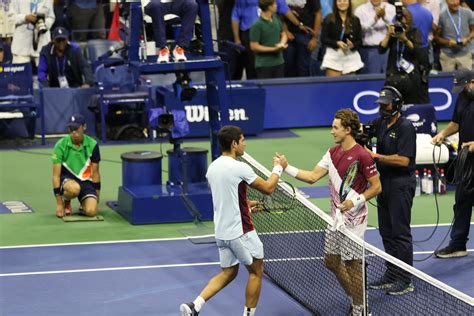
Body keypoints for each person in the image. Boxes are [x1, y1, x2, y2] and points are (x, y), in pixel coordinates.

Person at [278, 109, 381, 316]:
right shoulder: (332, 153)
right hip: (335, 218)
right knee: (331, 261)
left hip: (355, 219)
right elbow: (312, 177)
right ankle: (355, 298)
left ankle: (361, 310)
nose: (331, 131)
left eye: (335, 128)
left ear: (348, 130)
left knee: (353, 264)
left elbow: (376, 187)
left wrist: (355, 200)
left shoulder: (362, 155)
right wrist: (286, 167)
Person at [179, 125, 283, 316]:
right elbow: (269, 187)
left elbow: (227, 196)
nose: (245, 144)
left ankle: (195, 306)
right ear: (234, 144)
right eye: (242, 140)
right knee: (256, 271)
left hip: (221, 232)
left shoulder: (212, 168)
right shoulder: (240, 167)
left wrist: (247, 204)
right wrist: (279, 167)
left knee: (229, 272)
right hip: (241, 232)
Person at [366, 86, 417, 296]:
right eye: (381, 104)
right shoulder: (381, 123)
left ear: (396, 104)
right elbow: (364, 132)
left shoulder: (406, 127)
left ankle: (405, 280)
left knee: (400, 233)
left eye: (386, 104)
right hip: (383, 184)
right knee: (386, 231)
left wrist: (377, 158)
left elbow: (404, 160)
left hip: (401, 185)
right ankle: (392, 273)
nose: (383, 108)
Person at [431, 69, 474, 258]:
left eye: (464, 85)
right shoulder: (463, 97)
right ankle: (458, 245)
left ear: (472, 81)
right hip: (467, 162)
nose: (461, 90)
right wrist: (442, 134)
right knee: (462, 201)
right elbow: (456, 123)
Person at [52, 114, 101, 218]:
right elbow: (56, 176)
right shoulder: (60, 145)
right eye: (71, 129)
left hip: (85, 181)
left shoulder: (93, 145)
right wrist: (59, 204)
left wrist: (97, 196)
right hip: (68, 181)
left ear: (84, 127)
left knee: (92, 212)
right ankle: (66, 201)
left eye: (76, 129)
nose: (74, 132)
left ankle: (82, 204)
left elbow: (96, 173)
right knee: (74, 189)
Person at [379, 8, 425, 104]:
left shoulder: (415, 32)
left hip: (410, 76)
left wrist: (405, 40)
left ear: (410, 22)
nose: (404, 26)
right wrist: (388, 35)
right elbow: (381, 49)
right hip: (393, 75)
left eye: (406, 22)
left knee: (411, 106)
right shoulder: (393, 33)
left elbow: (418, 51)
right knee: (391, 106)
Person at [320, 0, 364, 76]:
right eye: (339, 1)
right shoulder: (329, 18)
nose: (342, 3)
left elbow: (360, 41)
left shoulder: (355, 20)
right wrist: (336, 43)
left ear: (349, 2)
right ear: (335, 3)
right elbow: (323, 38)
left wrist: (352, 45)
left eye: (344, 0)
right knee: (334, 86)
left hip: (350, 57)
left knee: (350, 87)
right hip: (333, 56)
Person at [354, 0, 396, 74]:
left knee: (389, 79)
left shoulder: (391, 8)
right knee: (370, 81)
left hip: (388, 51)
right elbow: (358, 30)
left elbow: (396, 27)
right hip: (368, 51)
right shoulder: (360, 10)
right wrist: (374, 19)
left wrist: (384, 16)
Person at [250, 0, 288, 79]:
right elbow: (254, 46)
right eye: (275, 4)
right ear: (269, 7)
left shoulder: (276, 18)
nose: (276, 5)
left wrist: (281, 43)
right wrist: (274, 49)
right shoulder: (257, 25)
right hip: (264, 65)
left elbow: (283, 34)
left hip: (279, 63)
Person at [283, 0, 322, 77]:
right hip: (287, 35)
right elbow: (278, 13)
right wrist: (285, 31)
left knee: (304, 66)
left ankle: (305, 88)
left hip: (305, 34)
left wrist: (315, 38)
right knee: (288, 64)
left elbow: (318, 13)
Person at [9, 0, 55, 65]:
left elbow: (51, 17)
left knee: (44, 73)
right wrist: (25, 17)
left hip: (42, 43)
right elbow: (11, 17)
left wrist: (43, 23)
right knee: (20, 74)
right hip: (21, 46)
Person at [434, 0, 474, 71]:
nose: (455, 3)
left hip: (465, 54)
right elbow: (436, 37)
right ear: (446, 2)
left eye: (456, 0)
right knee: (448, 81)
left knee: (466, 80)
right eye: (452, 1)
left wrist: (467, 38)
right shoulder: (442, 16)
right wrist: (448, 42)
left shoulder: (468, 13)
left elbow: (473, 31)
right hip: (447, 55)